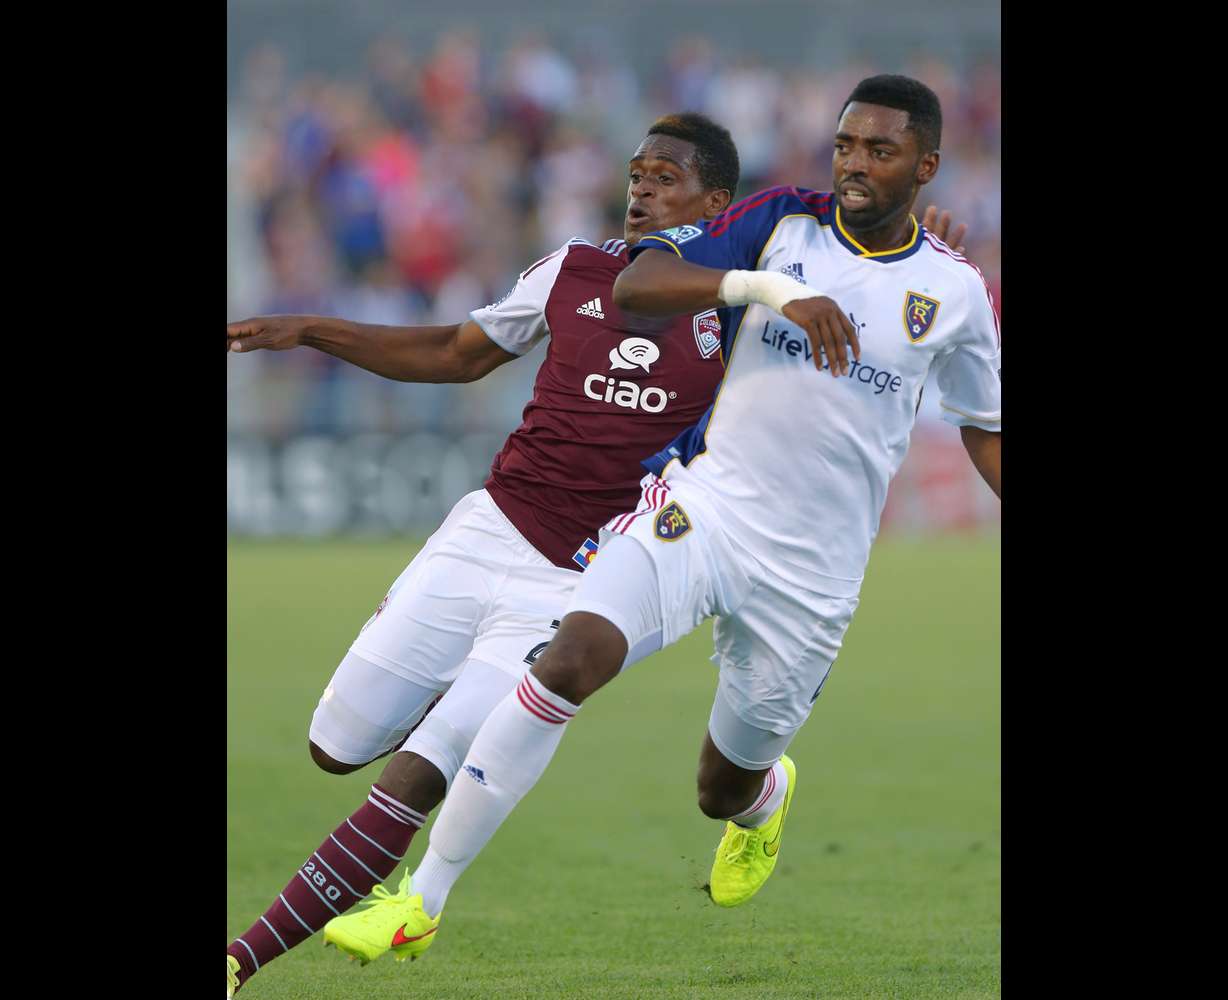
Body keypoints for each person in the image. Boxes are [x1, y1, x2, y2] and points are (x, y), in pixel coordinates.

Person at [324, 74, 1000, 964]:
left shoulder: (955, 292)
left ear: (926, 165)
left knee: (722, 787)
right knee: (568, 659)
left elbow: (985, 429)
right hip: (704, 513)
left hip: (814, 574)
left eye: (881, 151)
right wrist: (769, 290)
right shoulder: (782, 225)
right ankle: (424, 898)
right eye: (845, 145)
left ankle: (762, 800)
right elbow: (640, 285)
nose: (856, 165)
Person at [223, 111, 742, 997]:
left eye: (666, 178)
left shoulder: (740, 317)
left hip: (579, 584)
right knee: (334, 745)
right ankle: (455, 701)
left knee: (417, 775)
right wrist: (312, 329)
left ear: (716, 204)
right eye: (636, 175)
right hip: (486, 531)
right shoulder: (570, 270)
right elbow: (456, 353)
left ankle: (240, 960)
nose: (642, 192)